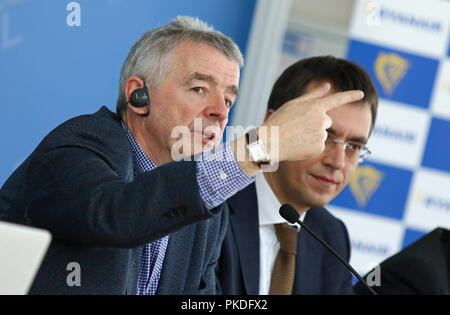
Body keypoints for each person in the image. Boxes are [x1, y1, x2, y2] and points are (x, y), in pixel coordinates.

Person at [0, 16, 364, 295]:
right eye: (199, 88)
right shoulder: (79, 146)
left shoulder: (205, 214)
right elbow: (115, 215)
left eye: (228, 99)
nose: (220, 113)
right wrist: (261, 146)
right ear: (138, 96)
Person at [216, 56, 379, 295]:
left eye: (353, 146)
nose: (337, 162)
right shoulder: (213, 207)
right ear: (274, 125)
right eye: (323, 136)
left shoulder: (331, 236)